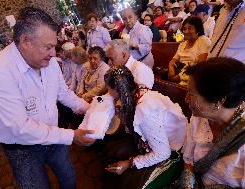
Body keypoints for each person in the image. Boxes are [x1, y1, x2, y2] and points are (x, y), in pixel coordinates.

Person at [0, 7, 95, 189]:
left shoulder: (49, 62)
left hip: (54, 134)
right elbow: (20, 128)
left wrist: (90, 109)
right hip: (22, 148)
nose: (54, 54)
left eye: (54, 47)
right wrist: (71, 136)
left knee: (69, 177)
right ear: (25, 41)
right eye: (47, 47)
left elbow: (63, 93)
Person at [103, 65, 187, 189]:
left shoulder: (145, 111)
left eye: (108, 88)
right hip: (151, 142)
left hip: (172, 149)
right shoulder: (134, 92)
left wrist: (128, 163)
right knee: (111, 151)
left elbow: (163, 153)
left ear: (118, 90)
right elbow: (133, 127)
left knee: (130, 181)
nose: (108, 92)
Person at [180, 57, 245, 188]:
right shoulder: (199, 117)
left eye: (191, 94)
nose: (186, 99)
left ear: (218, 101)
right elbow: (189, 161)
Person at [168, 16, 211, 86]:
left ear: (198, 29)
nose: (186, 31)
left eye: (190, 28)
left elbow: (200, 65)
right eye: (184, 29)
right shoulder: (182, 44)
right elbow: (173, 61)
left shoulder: (204, 41)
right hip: (177, 75)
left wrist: (179, 77)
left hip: (193, 78)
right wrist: (171, 70)